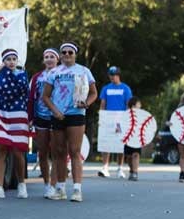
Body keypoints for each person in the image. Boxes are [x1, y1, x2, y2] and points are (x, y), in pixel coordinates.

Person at [42, 42, 98, 202]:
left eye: (70, 52)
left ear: (75, 54)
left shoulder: (84, 71)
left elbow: (94, 93)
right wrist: (55, 111)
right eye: (64, 52)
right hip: (58, 115)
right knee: (59, 152)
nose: (67, 55)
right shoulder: (54, 72)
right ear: (60, 55)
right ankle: (60, 188)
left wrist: (86, 103)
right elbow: (45, 96)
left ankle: (77, 189)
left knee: (74, 151)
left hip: (76, 114)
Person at [0, 49, 30, 199]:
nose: (11, 62)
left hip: (18, 115)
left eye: (14, 59)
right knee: (1, 150)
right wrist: (1, 75)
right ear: (3, 62)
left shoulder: (22, 76)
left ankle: (22, 184)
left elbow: (23, 91)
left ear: (17, 61)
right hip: (1, 115)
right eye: (8, 59)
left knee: (18, 152)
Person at [28, 48, 59, 198]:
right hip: (40, 116)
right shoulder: (36, 77)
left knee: (56, 152)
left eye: (52, 56)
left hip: (57, 116)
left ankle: (54, 185)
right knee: (42, 153)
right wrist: (30, 117)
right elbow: (30, 98)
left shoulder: (62, 74)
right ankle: (47, 184)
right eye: (46, 56)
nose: (49, 59)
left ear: (57, 59)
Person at [98, 66, 133, 179]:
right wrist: (101, 117)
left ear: (118, 75)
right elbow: (103, 103)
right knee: (106, 142)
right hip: (108, 117)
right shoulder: (106, 88)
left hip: (121, 118)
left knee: (120, 144)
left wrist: (127, 118)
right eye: (110, 75)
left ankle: (120, 168)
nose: (112, 77)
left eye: (114, 75)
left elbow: (128, 104)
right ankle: (105, 167)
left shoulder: (125, 88)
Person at [124, 97, 142, 181]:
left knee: (136, 154)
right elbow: (120, 124)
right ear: (134, 105)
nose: (140, 105)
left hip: (137, 138)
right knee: (129, 157)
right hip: (128, 138)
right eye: (139, 104)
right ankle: (131, 170)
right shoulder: (126, 114)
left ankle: (135, 172)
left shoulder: (142, 114)